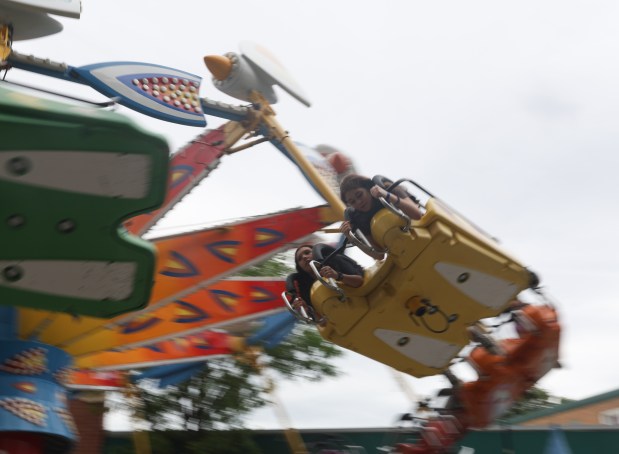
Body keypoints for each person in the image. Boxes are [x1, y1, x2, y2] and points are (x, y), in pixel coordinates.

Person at [338, 174, 423, 251]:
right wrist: (351, 238)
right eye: (352, 202)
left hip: (421, 231)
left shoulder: (386, 188)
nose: (358, 202)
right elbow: (379, 254)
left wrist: (387, 195)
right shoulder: (359, 218)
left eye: (359, 195)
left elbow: (417, 215)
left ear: (368, 188)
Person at [285, 243, 364, 322]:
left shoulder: (336, 259)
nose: (304, 257)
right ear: (300, 267)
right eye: (300, 259)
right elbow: (321, 321)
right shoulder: (308, 289)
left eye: (307, 253)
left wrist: (337, 275)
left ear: (316, 252)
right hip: (342, 319)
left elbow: (359, 282)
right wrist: (305, 309)